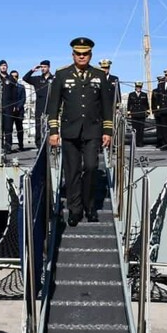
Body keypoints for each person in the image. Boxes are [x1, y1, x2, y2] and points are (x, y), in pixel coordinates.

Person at [47, 37, 114, 226]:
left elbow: (107, 106)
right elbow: (54, 106)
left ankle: (91, 207)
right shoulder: (62, 75)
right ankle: (75, 210)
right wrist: (54, 130)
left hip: (93, 130)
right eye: (78, 54)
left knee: (91, 168)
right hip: (70, 130)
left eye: (85, 54)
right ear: (73, 54)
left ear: (90, 55)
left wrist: (107, 130)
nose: (82, 57)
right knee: (72, 171)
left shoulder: (99, 75)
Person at [22, 60, 55, 147]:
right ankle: (39, 145)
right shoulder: (37, 79)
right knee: (39, 127)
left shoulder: (54, 79)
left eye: (45, 67)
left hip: (51, 107)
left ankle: (50, 145)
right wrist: (32, 70)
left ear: (49, 67)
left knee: (50, 127)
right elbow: (25, 78)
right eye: (42, 67)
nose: (43, 69)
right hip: (40, 107)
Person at [0, 60, 20, 153]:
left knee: (8, 128)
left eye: (5, 66)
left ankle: (8, 147)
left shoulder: (11, 78)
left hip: (9, 107)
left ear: (7, 67)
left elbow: (15, 93)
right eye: (2, 66)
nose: (3, 67)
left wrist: (15, 105)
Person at [126, 82, 149, 146]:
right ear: (135, 87)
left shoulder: (144, 94)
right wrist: (129, 112)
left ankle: (140, 142)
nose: (139, 88)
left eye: (140, 87)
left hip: (141, 114)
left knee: (141, 129)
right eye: (137, 87)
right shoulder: (131, 94)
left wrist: (147, 112)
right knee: (135, 129)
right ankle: (135, 142)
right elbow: (129, 104)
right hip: (134, 113)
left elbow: (146, 104)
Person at [10, 70, 26, 151]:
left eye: (16, 76)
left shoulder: (21, 87)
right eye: (12, 76)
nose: (14, 78)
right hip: (10, 111)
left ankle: (21, 145)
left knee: (19, 129)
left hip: (19, 111)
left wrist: (18, 107)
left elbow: (23, 99)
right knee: (9, 129)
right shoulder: (8, 87)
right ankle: (8, 146)